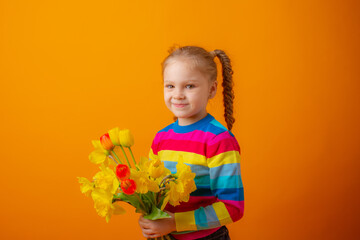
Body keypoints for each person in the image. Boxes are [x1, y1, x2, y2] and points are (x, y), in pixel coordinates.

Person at [138, 45, 244, 240]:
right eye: (170, 85)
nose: (177, 94)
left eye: (189, 86)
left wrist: (174, 223)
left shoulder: (218, 140)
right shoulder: (161, 138)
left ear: (212, 89)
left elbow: (233, 208)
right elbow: (153, 192)